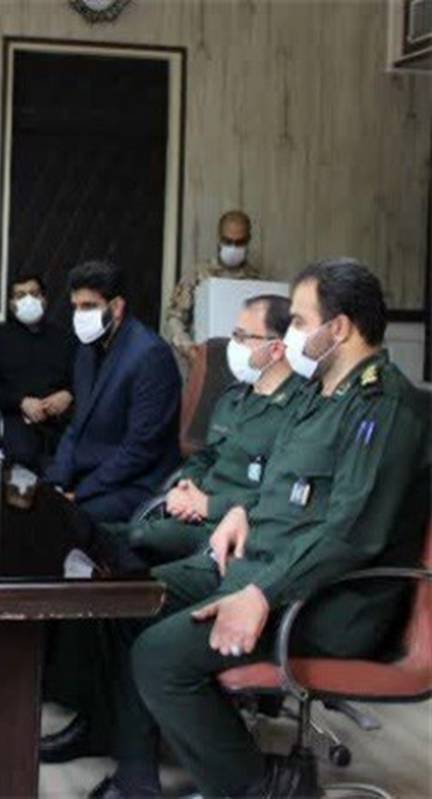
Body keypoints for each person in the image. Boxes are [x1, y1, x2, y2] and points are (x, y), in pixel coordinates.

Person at [51, 258, 429, 799]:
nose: (291, 334)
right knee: (127, 600)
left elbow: (350, 535)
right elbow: (285, 485)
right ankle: (135, 775)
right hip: (258, 564)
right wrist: (241, 512)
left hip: (323, 600)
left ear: (340, 328)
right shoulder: (318, 395)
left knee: (159, 656)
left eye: (300, 321)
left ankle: (264, 786)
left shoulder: (383, 409)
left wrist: (261, 593)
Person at [123, 294, 304, 566]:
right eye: (234, 335)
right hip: (193, 514)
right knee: (104, 535)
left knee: (132, 541)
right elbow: (206, 456)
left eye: (243, 337)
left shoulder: (301, 408)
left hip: (235, 527)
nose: (234, 345)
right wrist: (185, 488)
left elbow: (279, 490)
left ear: (276, 348)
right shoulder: (234, 396)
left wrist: (207, 506)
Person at [42, 259, 181, 523]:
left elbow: (140, 449)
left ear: (116, 307)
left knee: (68, 520)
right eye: (75, 307)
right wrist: (56, 482)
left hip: (135, 484)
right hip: (93, 475)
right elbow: (76, 426)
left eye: (89, 306)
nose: (79, 315)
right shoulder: (86, 349)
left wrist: (79, 494)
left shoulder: (151, 356)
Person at [0, 273, 75, 471]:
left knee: (77, 453)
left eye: (34, 294)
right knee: (24, 456)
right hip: (17, 417)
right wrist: (21, 402)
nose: (28, 300)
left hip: (60, 418)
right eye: (20, 295)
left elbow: (84, 379)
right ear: (11, 304)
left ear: (44, 299)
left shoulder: (65, 339)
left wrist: (68, 394)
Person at [166, 210, 264, 369]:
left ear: (248, 240)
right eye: (228, 241)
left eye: (239, 242)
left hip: (243, 368)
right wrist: (190, 350)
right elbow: (174, 319)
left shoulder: (257, 281)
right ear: (219, 238)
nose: (233, 247)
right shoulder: (198, 275)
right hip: (203, 363)